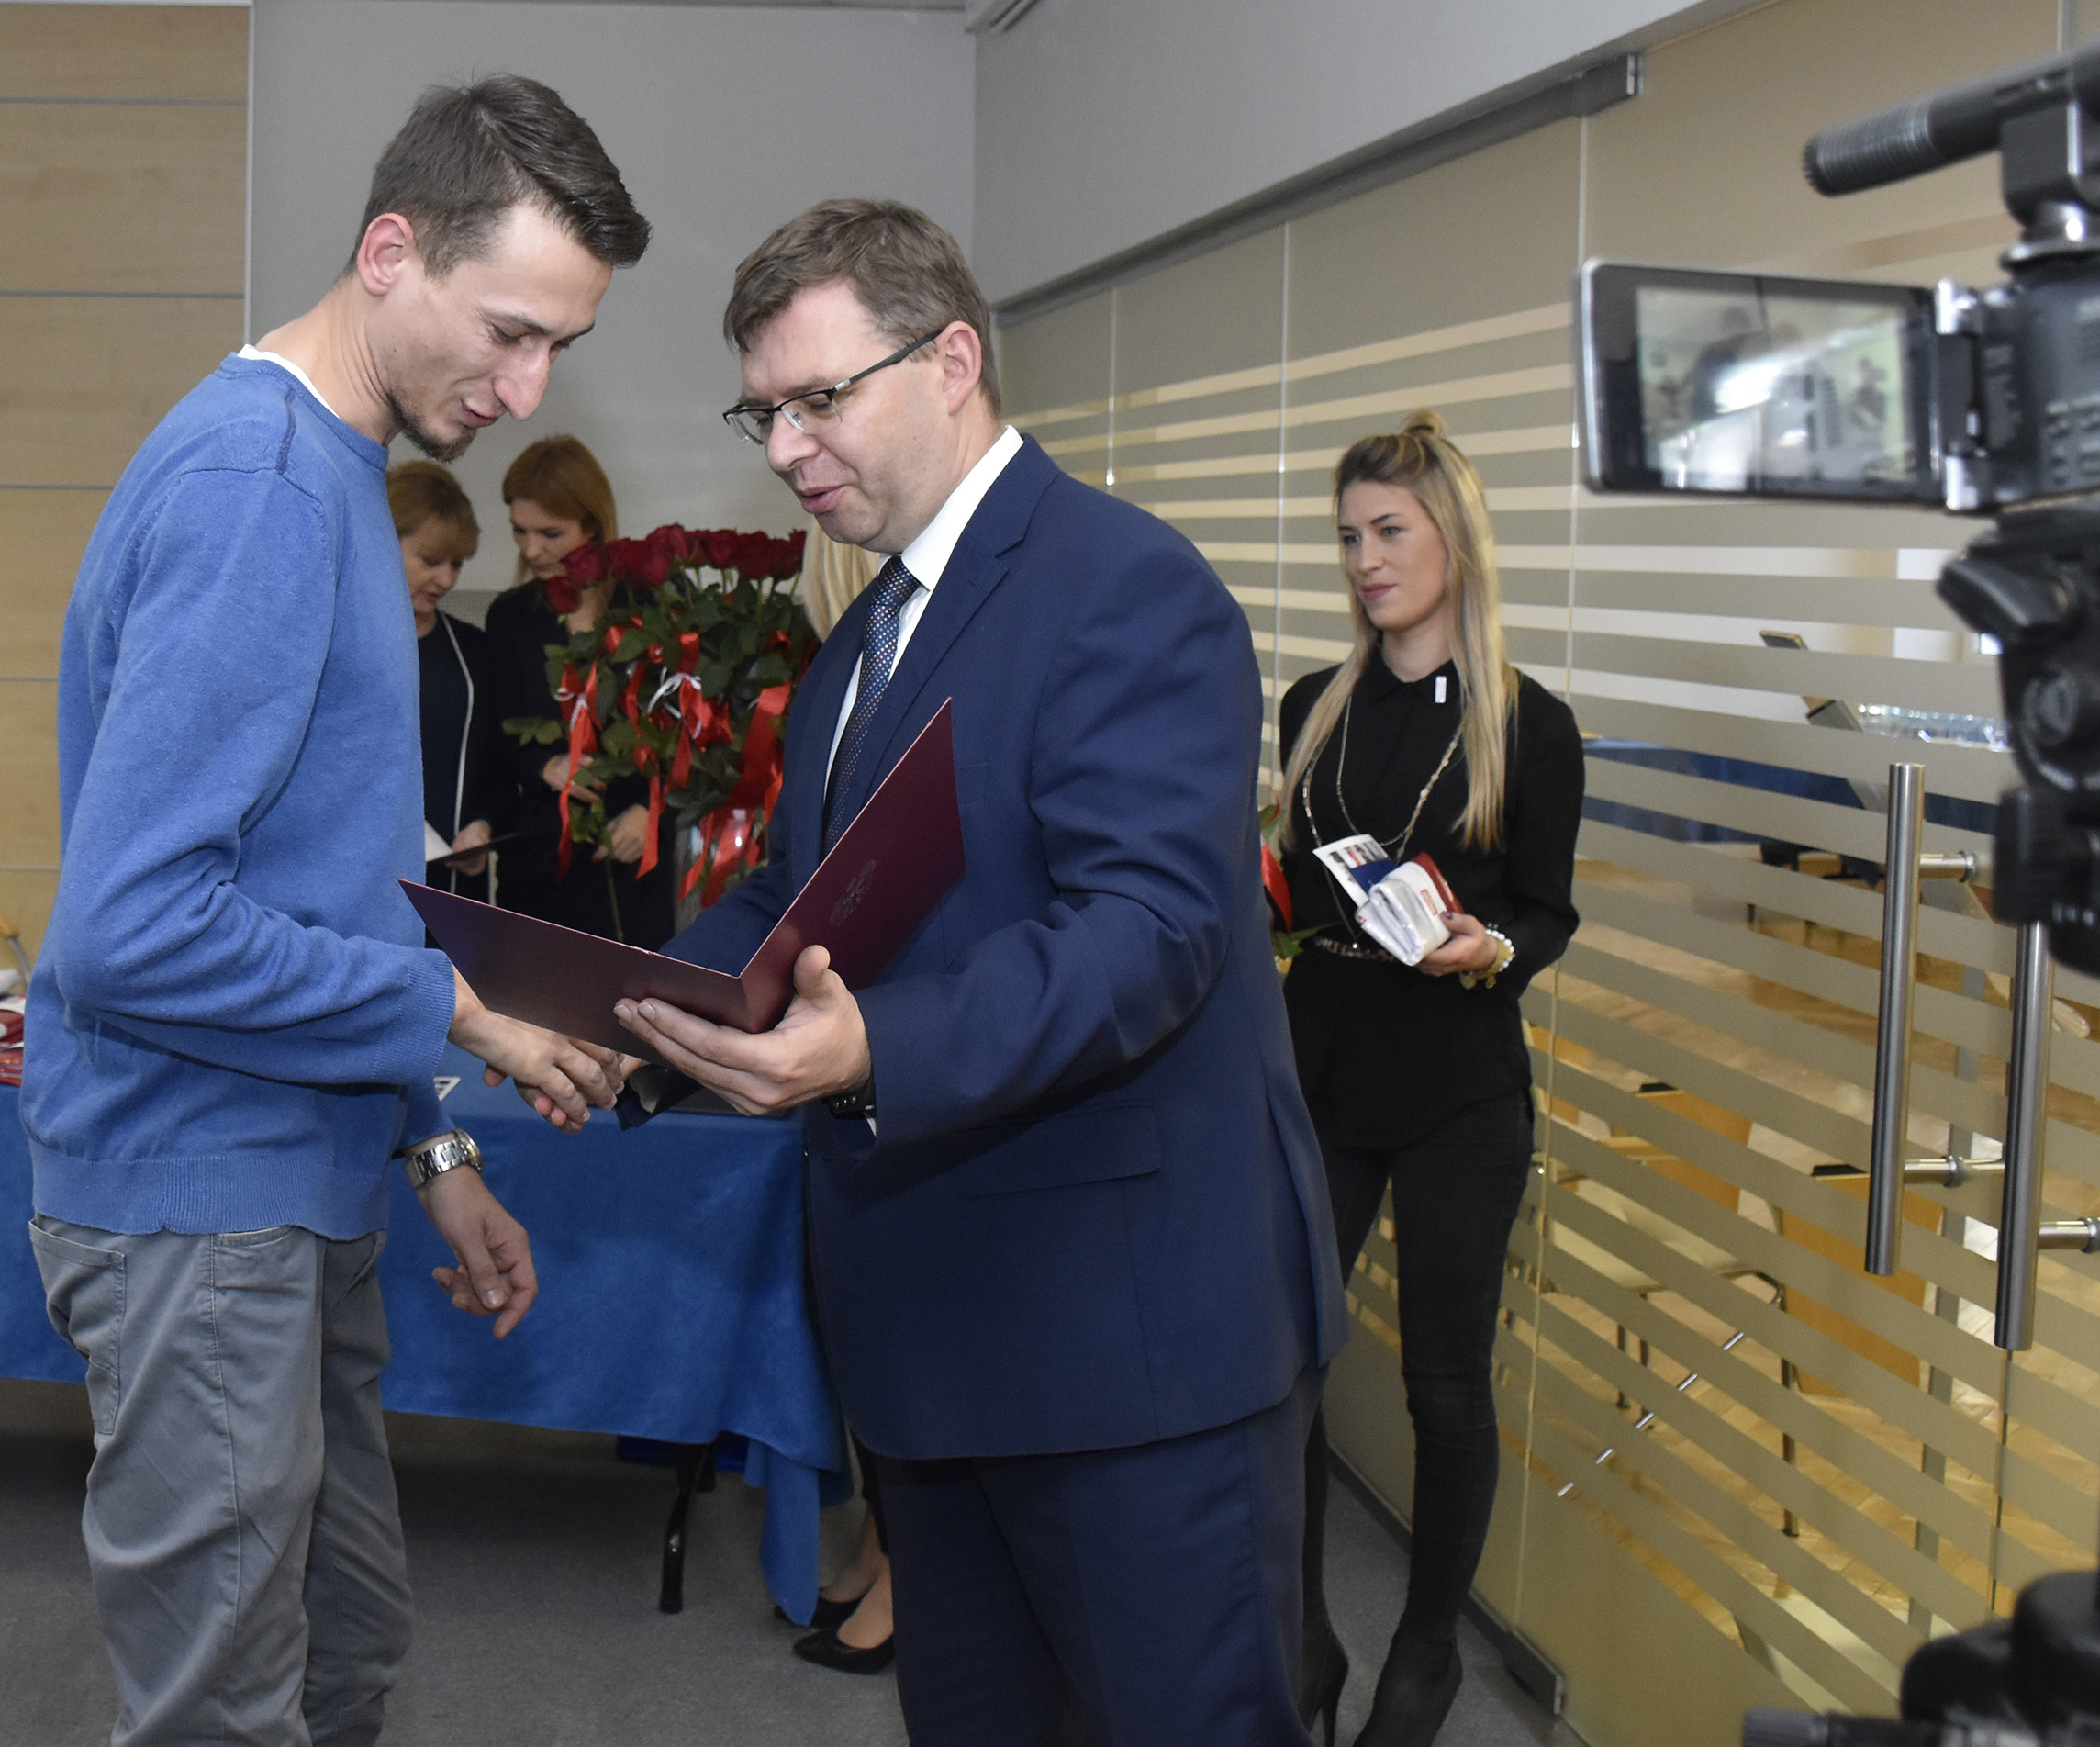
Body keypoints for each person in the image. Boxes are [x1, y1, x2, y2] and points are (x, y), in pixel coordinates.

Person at [610, 199, 1346, 1745]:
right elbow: (791, 904)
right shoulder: (863, 639)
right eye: (763, 413)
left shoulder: (1124, 585)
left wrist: (875, 1045)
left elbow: (1147, 928)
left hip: (1127, 1346)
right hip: (936, 1347)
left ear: (952, 361)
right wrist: (632, 1007)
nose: (787, 446)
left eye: (820, 397)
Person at [20, 75, 646, 1747]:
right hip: (198, 1195)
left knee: (345, 1655)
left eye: (560, 349)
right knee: (227, 1711)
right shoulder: (266, 488)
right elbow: (134, 929)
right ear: (389, 253)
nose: (525, 389)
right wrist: (460, 1010)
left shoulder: (336, 475)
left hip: (294, 1172)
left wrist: (431, 1147)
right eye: (510, 332)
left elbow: (321, 891)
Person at [1276, 411, 1584, 1747]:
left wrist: (1490, 945)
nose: (1365, 558)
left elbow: (1547, 911)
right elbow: (1297, 896)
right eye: (1349, 535)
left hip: (1458, 1073)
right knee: (1282, 1360)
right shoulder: (1314, 706)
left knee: (1445, 1381)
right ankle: (1301, 1631)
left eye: (1389, 530)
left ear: (1453, 537)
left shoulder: (1531, 724)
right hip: (1321, 1061)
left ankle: (1423, 1657)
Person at [484, 434, 676, 946]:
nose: (531, 550)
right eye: (519, 530)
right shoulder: (511, 616)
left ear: (592, 525)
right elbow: (495, 740)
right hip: (540, 863)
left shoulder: (651, 606)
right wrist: (545, 766)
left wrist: (653, 812)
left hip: (634, 863)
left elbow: (691, 736)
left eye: (550, 533)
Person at [389, 459, 503, 897]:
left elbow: (496, 765)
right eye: (431, 561)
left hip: (452, 891)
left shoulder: (472, 651)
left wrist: (482, 825)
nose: (446, 579)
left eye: (456, 564)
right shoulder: (340, 643)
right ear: (383, 539)